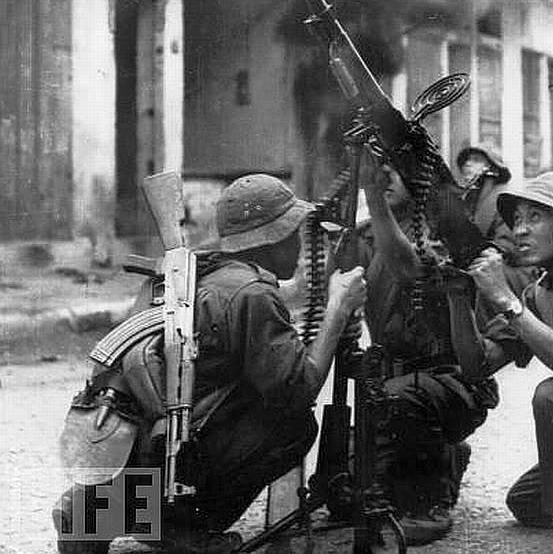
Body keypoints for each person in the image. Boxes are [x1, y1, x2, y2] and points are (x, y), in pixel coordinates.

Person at [53, 173, 367, 554]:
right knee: (295, 424)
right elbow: (298, 388)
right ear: (271, 239)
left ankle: (95, 511)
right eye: (293, 233)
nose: (300, 244)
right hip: (172, 455)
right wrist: (338, 309)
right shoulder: (252, 295)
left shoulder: (201, 272)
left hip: (135, 448)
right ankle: (180, 527)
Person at [356, 152, 507, 545]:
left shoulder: (444, 231)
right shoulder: (367, 235)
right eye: (379, 169)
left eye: (394, 168)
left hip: (450, 381)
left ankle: (431, 504)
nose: (386, 176)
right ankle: (446, 456)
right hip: (392, 380)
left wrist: (372, 196)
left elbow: (410, 269)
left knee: (402, 402)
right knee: (353, 495)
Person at [451, 171, 553, 538]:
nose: (519, 230)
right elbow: (478, 366)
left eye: (535, 217)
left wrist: (506, 300)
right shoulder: (541, 292)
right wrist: (457, 295)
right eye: (516, 219)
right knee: (528, 501)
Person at [456, 143, 515, 255]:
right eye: (466, 160)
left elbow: (506, 243)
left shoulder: (505, 199)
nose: (467, 163)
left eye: (476, 160)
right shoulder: (466, 198)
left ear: (493, 168)